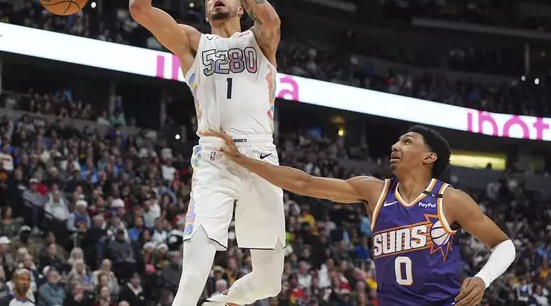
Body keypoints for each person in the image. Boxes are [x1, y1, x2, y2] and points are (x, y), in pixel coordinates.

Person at [129, 0, 284, 305]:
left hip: (261, 157)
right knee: (193, 274)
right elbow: (139, 8)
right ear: (204, 13)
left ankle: (223, 302)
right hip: (214, 159)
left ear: (239, 7)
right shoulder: (195, 44)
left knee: (268, 284)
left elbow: (271, 18)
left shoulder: (259, 40)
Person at [201, 125, 516, 306]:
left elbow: (505, 245)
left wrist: (482, 279)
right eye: (397, 140)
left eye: (407, 142)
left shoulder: (450, 199)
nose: (396, 145)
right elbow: (304, 183)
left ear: (429, 157)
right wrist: (243, 160)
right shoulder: (374, 191)